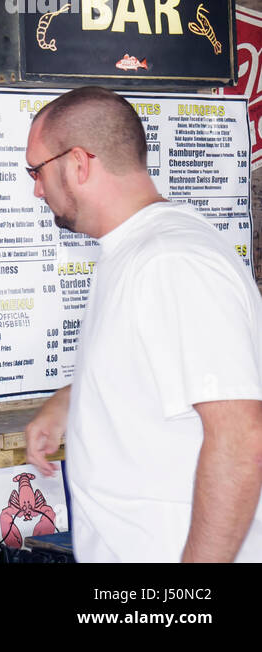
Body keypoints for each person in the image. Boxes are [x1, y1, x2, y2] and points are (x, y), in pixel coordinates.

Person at [23, 86, 262, 562]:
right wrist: (69, 402)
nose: (35, 188)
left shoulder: (172, 261)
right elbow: (153, 369)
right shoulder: (133, 252)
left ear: (78, 164)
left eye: (36, 170)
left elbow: (241, 437)